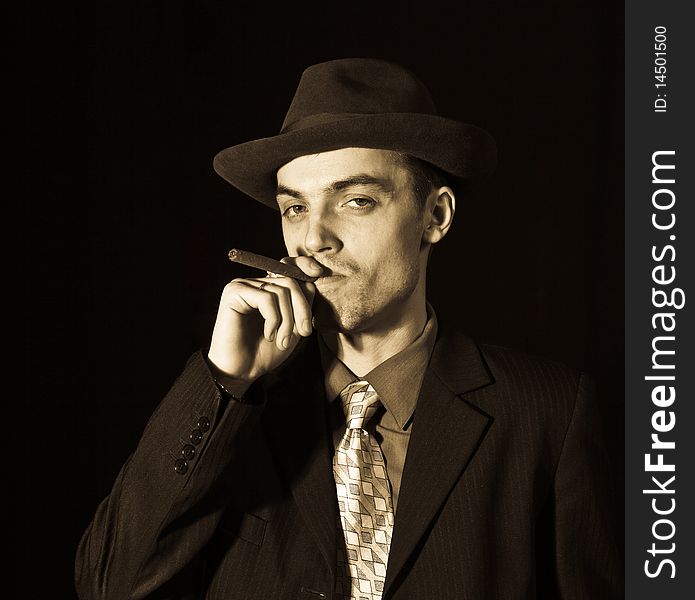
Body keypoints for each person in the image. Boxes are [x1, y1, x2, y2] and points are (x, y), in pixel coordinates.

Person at [75, 59, 622, 599]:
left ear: (435, 216)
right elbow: (107, 586)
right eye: (294, 208)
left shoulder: (549, 412)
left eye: (355, 201)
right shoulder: (236, 409)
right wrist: (223, 383)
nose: (313, 239)